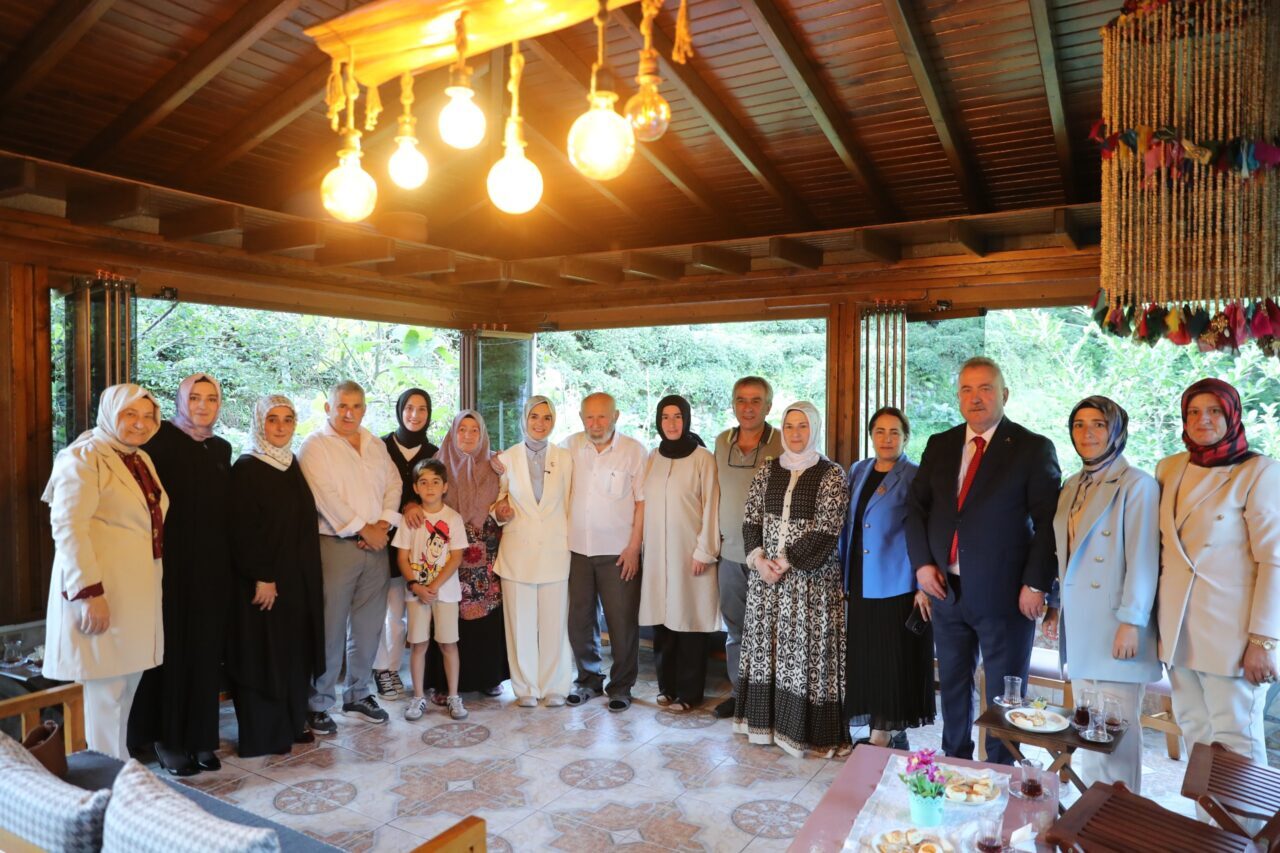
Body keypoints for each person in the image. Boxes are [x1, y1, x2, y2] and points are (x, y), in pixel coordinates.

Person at [905, 356, 1060, 765]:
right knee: (953, 685)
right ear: (958, 397)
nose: (976, 398)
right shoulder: (940, 444)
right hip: (946, 591)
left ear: (1004, 394)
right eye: (967, 390)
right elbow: (916, 509)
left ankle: (1000, 767)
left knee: (1005, 692)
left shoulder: (1031, 448)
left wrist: (1036, 584)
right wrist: (922, 566)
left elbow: (1049, 524)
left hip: (1006, 597)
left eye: (985, 388)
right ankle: (954, 760)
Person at [1155, 378, 1279, 772]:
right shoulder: (1169, 468)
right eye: (1193, 412)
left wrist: (1264, 641)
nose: (1202, 420)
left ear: (1231, 416)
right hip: (1179, 631)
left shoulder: (1258, 472)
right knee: (1195, 731)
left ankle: (1246, 834)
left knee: (1235, 740)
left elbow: (1274, 560)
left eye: (1213, 411)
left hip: (1233, 636)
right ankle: (1208, 829)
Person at [41, 383, 168, 760]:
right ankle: (108, 782)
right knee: (106, 693)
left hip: (136, 594)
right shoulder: (82, 456)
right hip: (102, 594)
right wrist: (89, 593)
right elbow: (68, 527)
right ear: (111, 413)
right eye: (131, 414)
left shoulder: (140, 459)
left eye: (148, 416)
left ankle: (119, 771)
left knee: (126, 688)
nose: (140, 424)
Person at [1040, 396, 1159, 792]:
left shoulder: (1137, 484)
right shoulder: (1072, 484)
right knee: (1087, 730)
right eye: (1079, 424)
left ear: (1117, 430)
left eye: (1098, 424)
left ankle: (1120, 822)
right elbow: (1069, 556)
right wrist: (1056, 607)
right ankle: (1090, 819)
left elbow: (1143, 558)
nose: (1087, 433)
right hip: (1082, 624)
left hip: (1116, 625)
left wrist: (1132, 621)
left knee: (1116, 733)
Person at [127, 373, 233, 776]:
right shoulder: (156, 445)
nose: (203, 405)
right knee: (169, 652)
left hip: (212, 569)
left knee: (206, 654)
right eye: (195, 397)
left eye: (211, 398)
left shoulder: (221, 448)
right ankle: (167, 740)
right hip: (167, 567)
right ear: (179, 400)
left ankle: (201, 738)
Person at [735, 401, 851, 758]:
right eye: (789, 427)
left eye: (803, 426)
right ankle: (767, 724)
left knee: (806, 654)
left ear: (814, 428)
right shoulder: (769, 470)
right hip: (767, 582)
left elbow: (827, 529)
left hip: (809, 585)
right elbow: (751, 518)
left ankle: (809, 732)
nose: (796, 433)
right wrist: (758, 560)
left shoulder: (831, 474)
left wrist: (784, 562)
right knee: (769, 651)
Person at [298, 380, 403, 733]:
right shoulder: (314, 446)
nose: (349, 413)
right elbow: (323, 496)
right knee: (329, 627)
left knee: (368, 626)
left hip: (376, 546)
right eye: (342, 406)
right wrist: (363, 528)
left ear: (364, 409)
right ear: (328, 408)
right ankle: (319, 703)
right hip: (336, 545)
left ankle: (358, 693)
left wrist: (384, 524)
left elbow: (394, 483)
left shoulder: (374, 443)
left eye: (356, 406)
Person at [227, 395, 325, 757]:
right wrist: (262, 576)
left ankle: (290, 723)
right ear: (259, 423)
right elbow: (241, 530)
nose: (281, 427)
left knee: (293, 654)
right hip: (265, 584)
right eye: (272, 419)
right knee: (264, 655)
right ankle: (264, 735)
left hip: (296, 582)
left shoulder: (290, 463)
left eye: (287, 419)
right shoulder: (247, 467)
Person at [840, 407, 934, 750]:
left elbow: (925, 531)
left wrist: (924, 585)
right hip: (861, 579)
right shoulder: (859, 470)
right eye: (879, 431)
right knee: (867, 656)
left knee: (892, 657)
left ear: (906, 437)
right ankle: (876, 724)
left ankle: (885, 730)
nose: (886, 438)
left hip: (898, 582)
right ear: (871, 435)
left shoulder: (915, 474)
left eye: (894, 432)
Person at [562, 392, 646, 713]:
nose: (595, 424)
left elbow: (642, 503)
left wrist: (634, 546)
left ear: (616, 416)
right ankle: (587, 680)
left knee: (622, 622)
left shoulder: (634, 451)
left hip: (619, 553)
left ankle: (621, 686)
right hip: (577, 550)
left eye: (602, 417)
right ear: (582, 417)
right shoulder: (568, 447)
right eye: (589, 417)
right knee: (580, 620)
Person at [639, 395, 721, 711]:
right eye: (666, 417)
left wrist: (704, 550)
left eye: (677, 417)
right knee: (663, 622)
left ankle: (689, 693)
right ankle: (667, 687)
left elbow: (712, 506)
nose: (671, 423)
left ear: (686, 419)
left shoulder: (703, 458)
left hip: (692, 555)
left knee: (689, 623)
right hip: (658, 556)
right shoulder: (652, 457)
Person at [492, 396, 575, 707]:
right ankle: (525, 688)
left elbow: (571, 502)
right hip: (518, 551)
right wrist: (500, 511)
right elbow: (497, 502)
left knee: (555, 624)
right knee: (520, 625)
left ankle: (555, 686)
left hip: (555, 550)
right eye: (534, 417)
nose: (540, 423)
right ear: (524, 419)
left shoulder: (565, 458)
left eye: (547, 418)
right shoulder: (506, 458)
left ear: (554, 421)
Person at [425, 410, 510, 699]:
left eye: (475, 430)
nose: (469, 436)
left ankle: (488, 677)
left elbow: (508, 500)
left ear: (483, 434)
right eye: (462, 429)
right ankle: (444, 682)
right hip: (447, 551)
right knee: (448, 615)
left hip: (484, 554)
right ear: (453, 432)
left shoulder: (497, 465)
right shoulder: (437, 465)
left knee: (485, 616)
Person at [713, 376, 784, 719]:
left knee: (771, 632)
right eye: (741, 400)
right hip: (729, 554)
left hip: (769, 559)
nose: (748, 407)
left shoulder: (785, 443)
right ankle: (741, 695)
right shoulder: (720, 441)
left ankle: (770, 701)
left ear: (768, 406)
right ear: (733, 404)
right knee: (736, 630)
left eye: (756, 401)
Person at [392, 459, 471, 721]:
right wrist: (417, 586)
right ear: (415, 487)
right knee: (418, 644)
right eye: (423, 482)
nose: (430, 487)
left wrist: (434, 587)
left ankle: (453, 695)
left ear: (445, 486)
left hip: (445, 594)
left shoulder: (453, 518)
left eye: (435, 482)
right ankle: (417, 697)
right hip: (417, 593)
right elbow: (402, 557)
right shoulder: (410, 520)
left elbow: (456, 556)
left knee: (449, 643)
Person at [373, 388, 438, 700]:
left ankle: (393, 669)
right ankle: (380, 671)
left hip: (416, 550)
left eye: (422, 409)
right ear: (399, 410)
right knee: (378, 614)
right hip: (379, 542)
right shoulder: (378, 447)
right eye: (409, 408)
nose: (415, 415)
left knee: (399, 618)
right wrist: (403, 508)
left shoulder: (434, 452)